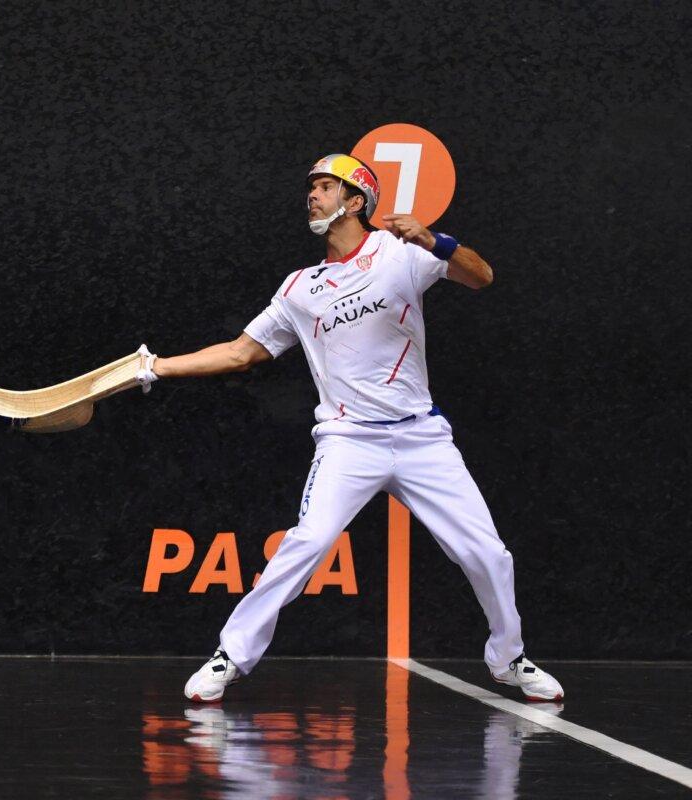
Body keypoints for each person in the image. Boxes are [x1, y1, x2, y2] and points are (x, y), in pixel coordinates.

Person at [139, 153, 562, 704]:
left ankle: (509, 659)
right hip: (348, 440)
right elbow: (241, 352)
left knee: (488, 554)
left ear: (355, 200)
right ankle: (230, 656)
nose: (311, 196)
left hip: (420, 438)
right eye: (310, 187)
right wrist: (159, 365)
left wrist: (437, 242)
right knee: (308, 541)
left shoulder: (402, 252)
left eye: (323, 187)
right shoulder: (299, 288)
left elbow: (481, 276)